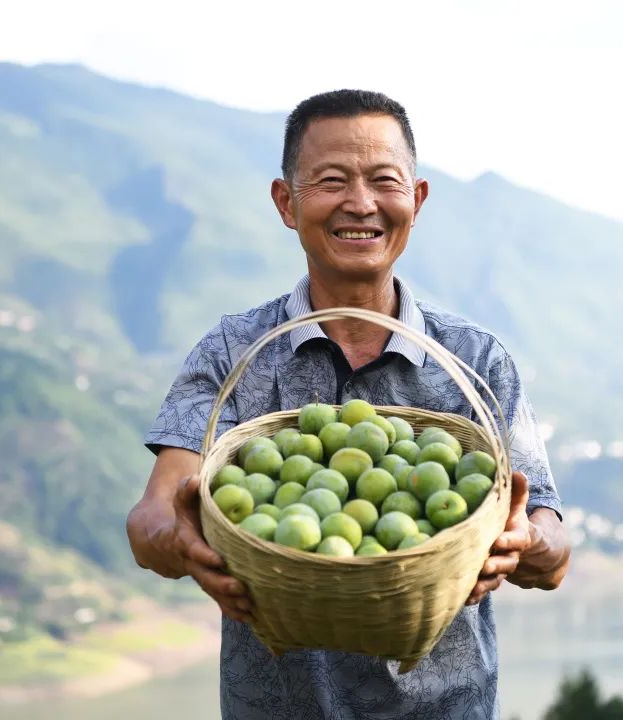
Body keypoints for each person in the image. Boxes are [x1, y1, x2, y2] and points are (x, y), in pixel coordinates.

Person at [126, 89, 571, 719]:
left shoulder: (477, 361)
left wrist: (526, 542)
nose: (360, 203)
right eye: (331, 180)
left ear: (415, 200)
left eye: (383, 181)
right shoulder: (234, 352)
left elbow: (552, 546)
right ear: (287, 203)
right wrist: (180, 540)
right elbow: (150, 519)